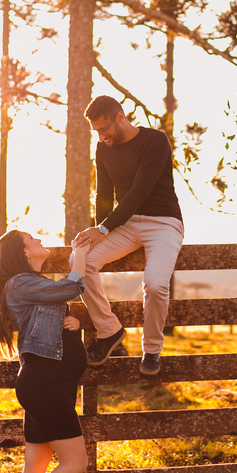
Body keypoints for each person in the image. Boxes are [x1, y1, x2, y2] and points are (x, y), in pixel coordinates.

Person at [0, 228, 92, 473]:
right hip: (45, 385)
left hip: (49, 383)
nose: (39, 241)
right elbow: (70, 286)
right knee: (76, 461)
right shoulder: (20, 282)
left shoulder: (32, 285)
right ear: (22, 252)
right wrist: (78, 262)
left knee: (36, 463)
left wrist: (72, 321)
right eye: (32, 240)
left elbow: (49, 314)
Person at [72, 95, 184, 376]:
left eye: (104, 128)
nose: (102, 135)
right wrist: (100, 231)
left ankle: (152, 349)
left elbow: (140, 191)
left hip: (164, 223)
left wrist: (103, 228)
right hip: (126, 224)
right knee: (80, 259)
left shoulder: (155, 141)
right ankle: (109, 331)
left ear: (120, 117)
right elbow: (104, 195)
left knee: (156, 284)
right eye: (96, 131)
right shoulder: (103, 148)